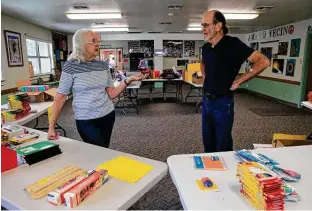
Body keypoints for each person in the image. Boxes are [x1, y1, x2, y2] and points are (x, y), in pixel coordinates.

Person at [48, 29, 147, 148]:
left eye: (98, 41)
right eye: (93, 41)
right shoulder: (71, 66)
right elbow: (60, 97)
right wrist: (51, 126)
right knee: (97, 148)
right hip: (85, 119)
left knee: (103, 148)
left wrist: (129, 80)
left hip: (107, 115)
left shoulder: (103, 65)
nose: (97, 44)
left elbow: (111, 93)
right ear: (82, 43)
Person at [200, 10, 270, 153]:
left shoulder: (233, 45)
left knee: (223, 144)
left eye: (206, 25)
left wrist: (239, 81)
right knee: (208, 141)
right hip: (206, 101)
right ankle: (210, 171)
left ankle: (226, 173)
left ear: (218, 26)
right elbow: (203, 63)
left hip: (222, 103)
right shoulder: (206, 47)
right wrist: (205, 78)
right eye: (202, 25)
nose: (203, 29)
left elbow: (263, 62)